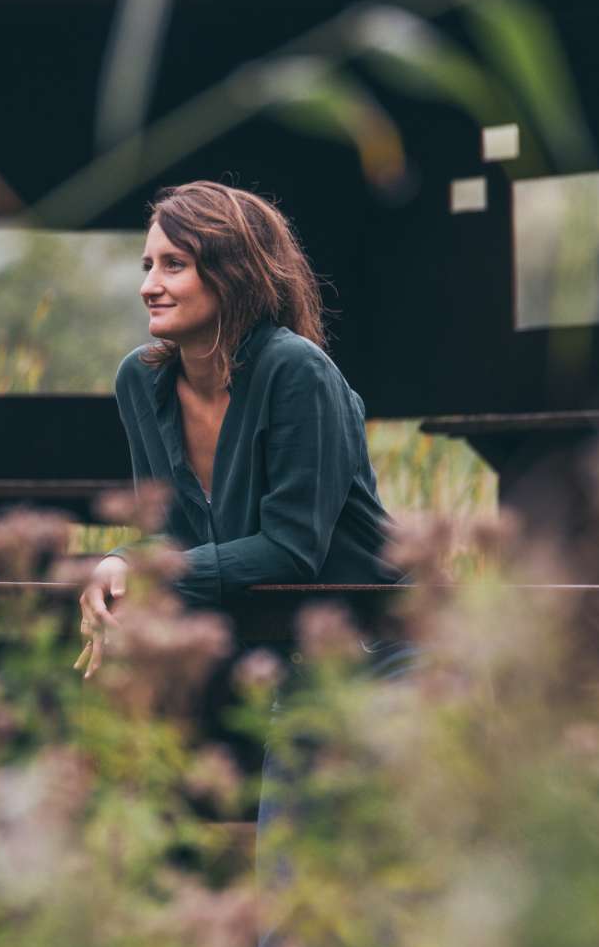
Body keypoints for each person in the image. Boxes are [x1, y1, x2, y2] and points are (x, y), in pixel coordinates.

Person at [78, 180, 402, 656]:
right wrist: (118, 561)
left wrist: (153, 576)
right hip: (262, 645)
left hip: (376, 643)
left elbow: (290, 549)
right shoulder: (140, 380)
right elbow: (170, 532)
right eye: (148, 266)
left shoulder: (295, 370)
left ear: (233, 273)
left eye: (174, 265)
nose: (149, 286)